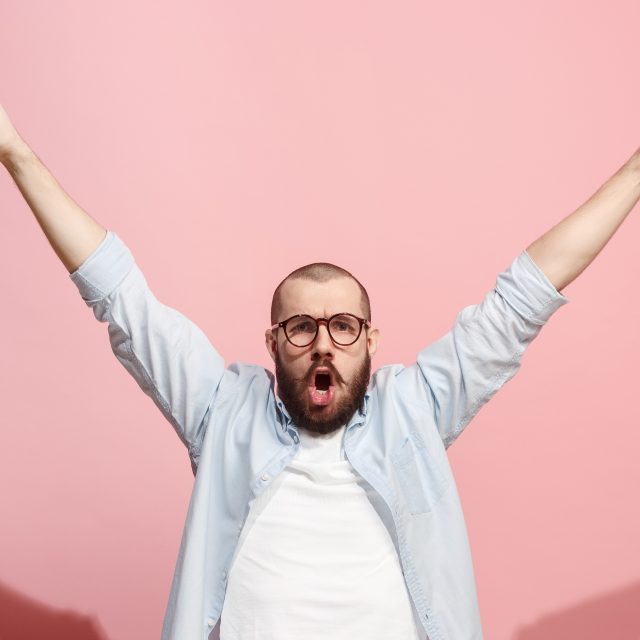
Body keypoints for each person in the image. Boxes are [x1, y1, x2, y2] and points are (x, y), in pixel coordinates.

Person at [2, 102, 639, 640]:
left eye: (344, 326)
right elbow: (122, 299)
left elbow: (523, 298)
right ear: (274, 343)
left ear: (371, 341)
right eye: (302, 327)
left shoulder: (416, 407)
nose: (323, 345)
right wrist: (14, 153)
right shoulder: (221, 409)